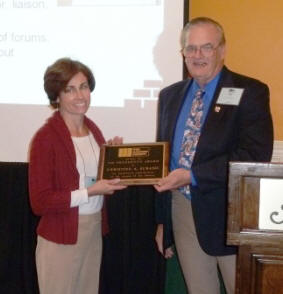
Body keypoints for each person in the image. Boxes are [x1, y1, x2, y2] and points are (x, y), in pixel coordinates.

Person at [154, 17, 273, 294]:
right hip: (183, 211)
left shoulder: (250, 92)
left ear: (222, 50)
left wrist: (193, 175)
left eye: (206, 47)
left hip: (231, 214)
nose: (198, 55)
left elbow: (255, 155)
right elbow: (165, 160)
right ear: (183, 52)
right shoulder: (170, 96)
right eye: (191, 48)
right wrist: (163, 223)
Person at [29, 57, 127, 294]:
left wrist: (113, 161)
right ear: (56, 97)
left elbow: (92, 177)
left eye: (83, 87)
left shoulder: (93, 131)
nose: (80, 95)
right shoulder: (46, 138)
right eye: (69, 89)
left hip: (93, 230)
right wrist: (90, 192)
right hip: (60, 236)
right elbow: (40, 202)